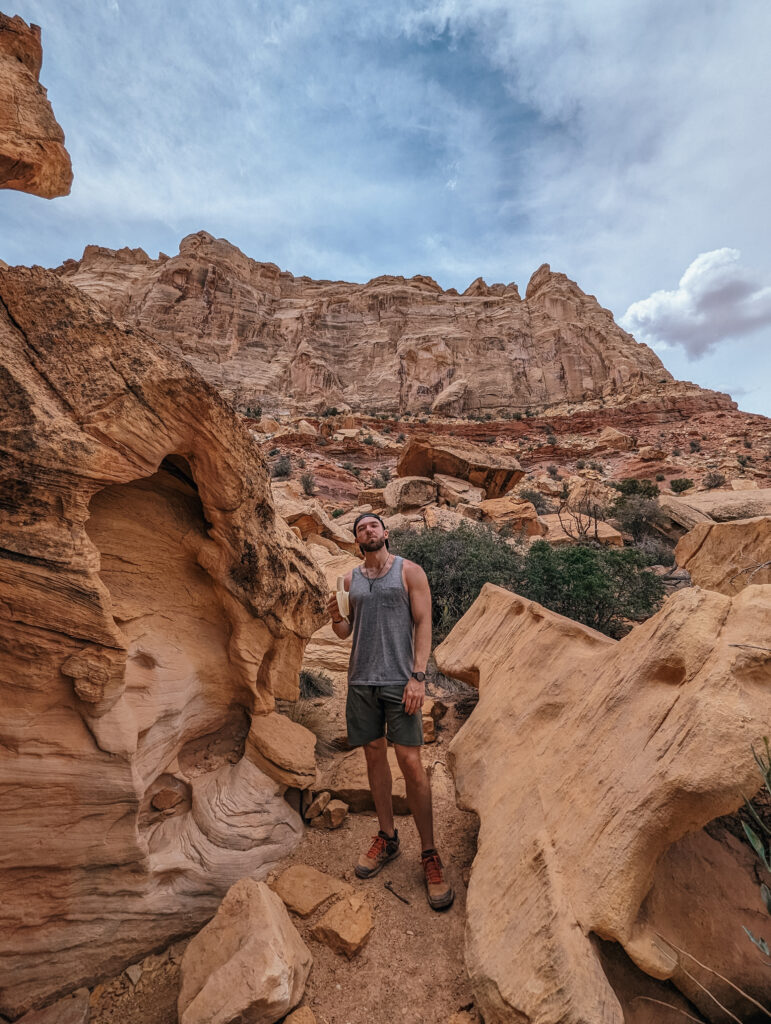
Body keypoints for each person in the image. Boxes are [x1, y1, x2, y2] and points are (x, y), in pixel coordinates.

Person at [326, 512, 454, 910]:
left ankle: (430, 852)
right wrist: (335, 619)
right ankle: (388, 837)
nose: (368, 530)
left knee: (411, 762)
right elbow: (345, 632)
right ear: (356, 539)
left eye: (373, 526)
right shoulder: (349, 580)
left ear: (386, 533)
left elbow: (423, 622)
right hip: (362, 680)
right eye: (361, 527)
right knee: (374, 757)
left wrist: (418, 676)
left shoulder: (410, 572)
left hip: (401, 681)